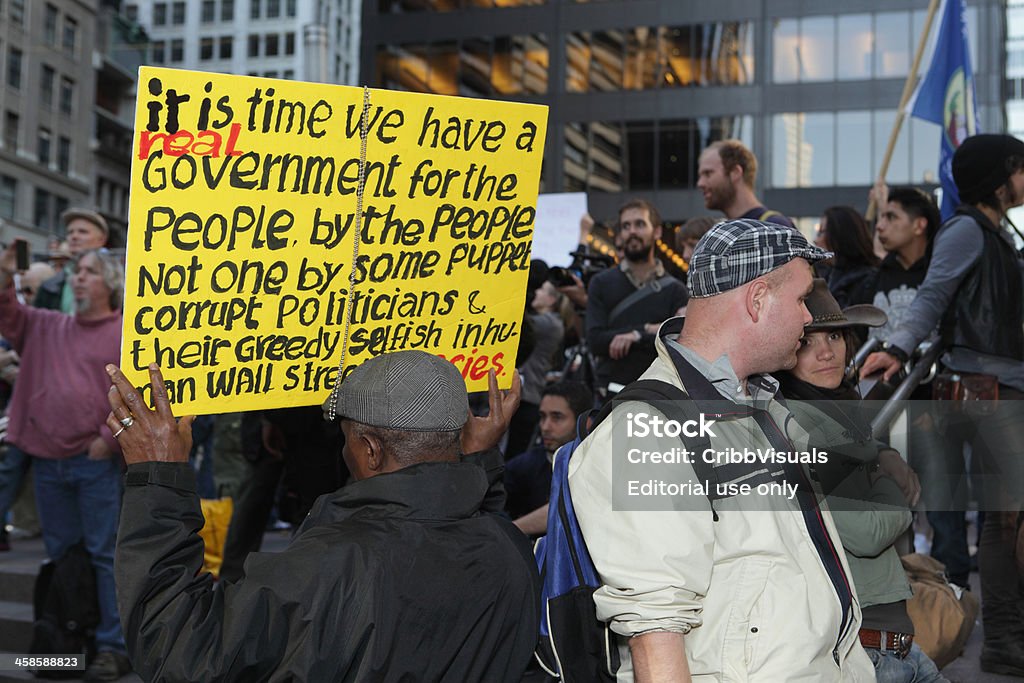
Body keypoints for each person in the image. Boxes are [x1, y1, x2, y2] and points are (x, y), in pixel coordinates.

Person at [109, 352, 541, 681]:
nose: (343, 450)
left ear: (370, 450)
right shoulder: (510, 547)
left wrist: (159, 481)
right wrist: (480, 459)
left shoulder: (330, 566)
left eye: (348, 437)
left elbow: (176, 645)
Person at [569, 219, 874, 681]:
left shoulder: (762, 404)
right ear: (757, 300)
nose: (810, 318)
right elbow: (655, 639)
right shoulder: (645, 429)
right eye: (801, 299)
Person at [861, 133, 1024, 676]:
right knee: (1006, 519)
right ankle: (1003, 635)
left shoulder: (996, 232)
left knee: (1008, 518)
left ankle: (1004, 633)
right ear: (999, 177)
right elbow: (933, 294)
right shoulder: (965, 229)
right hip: (985, 389)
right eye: (1020, 168)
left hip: (1000, 387)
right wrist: (895, 347)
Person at [776, 279, 946, 683]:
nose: (826, 351)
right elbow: (867, 531)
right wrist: (888, 479)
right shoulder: (799, 423)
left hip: (891, 642)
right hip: (864, 648)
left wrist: (881, 456)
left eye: (834, 334)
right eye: (807, 340)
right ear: (785, 349)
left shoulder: (841, 413)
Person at [0, 242, 130, 681]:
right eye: (77, 272)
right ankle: (66, 646)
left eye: (89, 272)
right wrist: (5, 276)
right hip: (48, 461)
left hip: (93, 463)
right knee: (61, 557)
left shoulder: (122, 334)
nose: (78, 277)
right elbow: (8, 312)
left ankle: (112, 646)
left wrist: (106, 440)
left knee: (101, 556)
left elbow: (134, 397)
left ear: (110, 284)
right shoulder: (46, 325)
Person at [586, 199, 688, 396]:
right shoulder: (601, 282)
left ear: (657, 232)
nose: (632, 231)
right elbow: (595, 340)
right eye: (626, 226)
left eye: (640, 224)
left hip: (660, 395)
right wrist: (647, 330)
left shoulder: (676, 290)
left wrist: (634, 336)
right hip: (611, 394)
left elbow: (679, 343)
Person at [505, 380, 592, 535]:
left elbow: (572, 507)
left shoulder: (599, 464)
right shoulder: (523, 467)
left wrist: (510, 531)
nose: (545, 427)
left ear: (585, 422)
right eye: (542, 416)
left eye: (557, 417)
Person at [696, 139, 795, 227]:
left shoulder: (774, 227)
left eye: (708, 173)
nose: (700, 183)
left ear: (735, 172)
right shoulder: (724, 230)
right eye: (700, 176)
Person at [34, 208, 109, 313]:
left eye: (83, 232)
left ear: (101, 239)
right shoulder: (49, 286)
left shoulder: (120, 284)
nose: (74, 236)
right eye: (70, 232)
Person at [816, 205, 879, 308]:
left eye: (822, 232)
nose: (816, 240)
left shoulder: (868, 282)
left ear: (840, 236)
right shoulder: (826, 277)